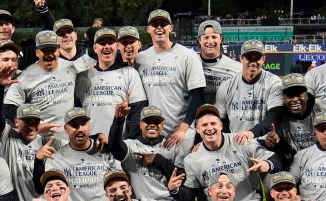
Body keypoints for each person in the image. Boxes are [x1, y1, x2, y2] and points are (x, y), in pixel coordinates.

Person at [179, 104, 280, 201]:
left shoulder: (241, 141)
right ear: (197, 129)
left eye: (213, 123)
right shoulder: (192, 159)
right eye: (204, 125)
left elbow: (276, 161)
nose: (209, 128)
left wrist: (267, 164)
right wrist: (174, 190)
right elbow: (189, 195)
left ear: (221, 125)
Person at [108, 102, 191, 201]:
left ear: (162, 125)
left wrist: (158, 160)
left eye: (156, 121)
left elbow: (182, 178)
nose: (152, 124)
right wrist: (119, 120)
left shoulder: (172, 146)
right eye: (148, 121)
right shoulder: (131, 145)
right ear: (140, 124)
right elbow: (114, 146)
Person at [2, 30, 93, 140]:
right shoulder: (25, 77)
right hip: (38, 141)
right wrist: (33, 126)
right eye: (44, 50)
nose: (49, 55)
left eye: (52, 50)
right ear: (37, 52)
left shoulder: (71, 67)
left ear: (58, 51)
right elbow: (9, 108)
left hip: (68, 140)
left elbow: (98, 55)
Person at [135, 9, 205, 150]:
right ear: (148, 29)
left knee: (179, 171)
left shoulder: (188, 56)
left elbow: (197, 96)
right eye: (155, 24)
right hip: (151, 131)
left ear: (170, 28)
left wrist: (183, 129)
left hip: (180, 131)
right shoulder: (140, 58)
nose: (159, 27)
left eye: (163, 24)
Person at [262, 72, 326, 170]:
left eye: (299, 94)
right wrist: (274, 144)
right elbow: (284, 151)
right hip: (297, 166)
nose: (295, 99)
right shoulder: (278, 115)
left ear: (307, 95)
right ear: (283, 98)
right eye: (290, 96)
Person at [33, 107, 121, 201]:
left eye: (83, 124)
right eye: (74, 125)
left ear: (89, 125)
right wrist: (38, 161)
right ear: (66, 129)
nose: (79, 129)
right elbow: (41, 189)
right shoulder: (56, 157)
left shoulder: (105, 150)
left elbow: (119, 184)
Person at [0, 103, 65, 201]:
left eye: (35, 122)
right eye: (27, 122)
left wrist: (97, 138)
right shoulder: (8, 138)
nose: (31, 127)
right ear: (16, 122)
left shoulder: (49, 142)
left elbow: (78, 145)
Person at [75, 27, 147, 137]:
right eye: (102, 43)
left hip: (119, 143)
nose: (107, 46)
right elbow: (76, 110)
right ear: (95, 48)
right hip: (90, 143)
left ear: (117, 46)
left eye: (110, 43)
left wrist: (129, 142)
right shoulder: (83, 76)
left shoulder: (130, 73)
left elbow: (138, 110)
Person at [215, 39, 284, 141]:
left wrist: (252, 133)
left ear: (263, 59)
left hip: (264, 142)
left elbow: (275, 115)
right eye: (249, 58)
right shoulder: (227, 86)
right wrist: (227, 141)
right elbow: (221, 119)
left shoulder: (273, 82)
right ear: (241, 58)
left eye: (257, 58)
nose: (253, 62)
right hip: (235, 143)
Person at [195, 19, 241, 105]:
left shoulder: (237, 69)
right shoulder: (190, 66)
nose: (210, 41)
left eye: (214, 37)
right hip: (197, 116)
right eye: (206, 37)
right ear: (199, 40)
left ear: (221, 39)